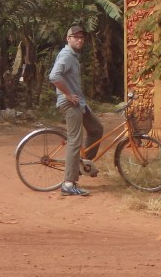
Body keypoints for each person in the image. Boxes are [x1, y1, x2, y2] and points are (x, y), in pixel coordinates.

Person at [49, 24, 103, 196]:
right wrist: (68, 94)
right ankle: (68, 184)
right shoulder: (66, 55)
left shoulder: (73, 56)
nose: (80, 40)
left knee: (96, 129)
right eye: (76, 37)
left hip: (79, 103)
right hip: (70, 103)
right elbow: (54, 76)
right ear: (68, 39)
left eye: (82, 38)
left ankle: (82, 165)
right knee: (75, 141)